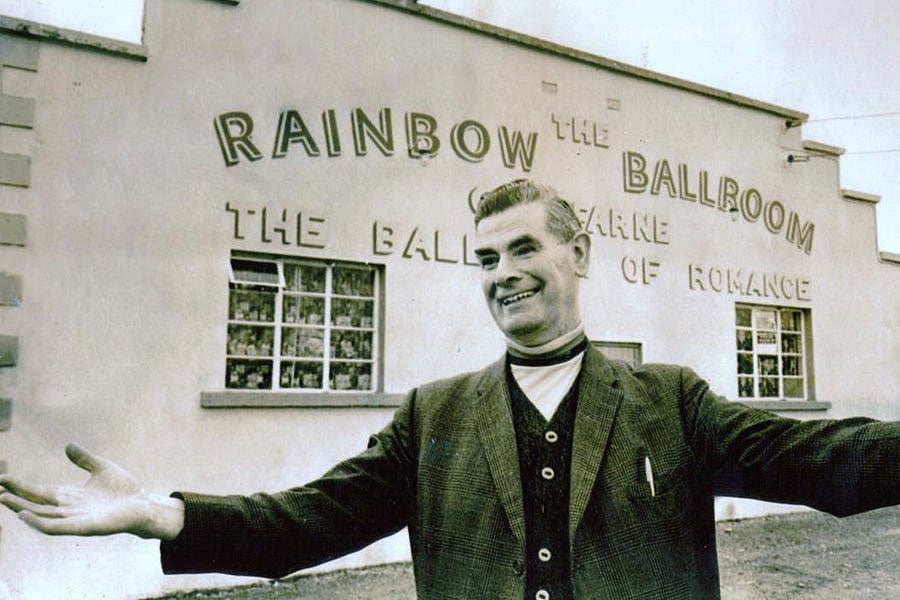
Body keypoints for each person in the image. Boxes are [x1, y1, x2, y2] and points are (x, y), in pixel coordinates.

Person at [1, 179, 899, 599]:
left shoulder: (674, 401)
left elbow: (825, 460)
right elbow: (311, 520)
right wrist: (168, 514)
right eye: (484, 258)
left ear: (577, 256)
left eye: (522, 249)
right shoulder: (433, 417)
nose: (502, 274)